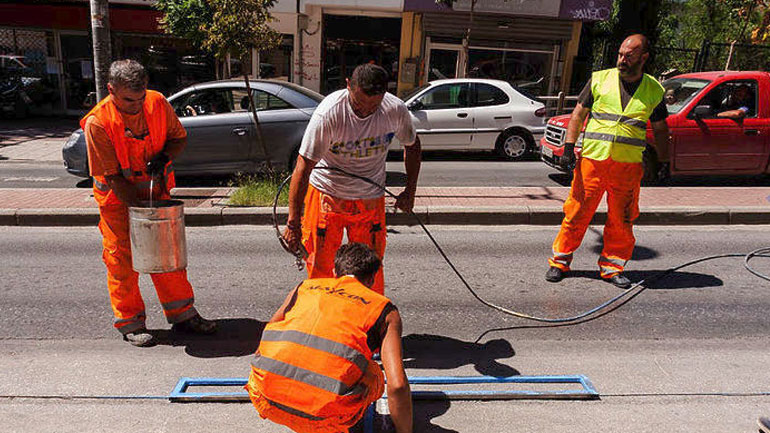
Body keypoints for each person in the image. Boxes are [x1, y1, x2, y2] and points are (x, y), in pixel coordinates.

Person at [81, 59, 217, 347]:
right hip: (118, 204)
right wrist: (146, 214)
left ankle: (182, 315)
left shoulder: (157, 103)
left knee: (169, 259)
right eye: (129, 100)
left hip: (157, 198)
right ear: (111, 90)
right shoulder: (98, 123)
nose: (136, 105)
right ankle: (130, 323)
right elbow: (114, 178)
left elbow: (178, 139)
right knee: (122, 263)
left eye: (140, 97)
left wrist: (165, 156)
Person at [282, 63, 421, 295]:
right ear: (348, 85)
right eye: (358, 104)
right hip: (327, 195)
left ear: (384, 95)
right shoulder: (329, 113)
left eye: (373, 107)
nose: (365, 112)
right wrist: (293, 224)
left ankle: (368, 322)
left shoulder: (394, 109)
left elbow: (413, 146)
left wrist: (410, 190)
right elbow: (302, 168)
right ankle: (323, 324)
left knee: (369, 269)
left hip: (369, 199)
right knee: (320, 269)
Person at [245, 242, 412, 433]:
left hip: (265, 398)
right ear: (372, 279)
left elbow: (265, 339)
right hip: (324, 420)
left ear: (334, 272)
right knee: (374, 374)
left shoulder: (304, 288)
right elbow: (397, 386)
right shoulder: (384, 310)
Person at [545, 34, 670, 289]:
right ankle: (560, 261)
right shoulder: (599, 79)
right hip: (593, 160)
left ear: (643, 58)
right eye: (621, 54)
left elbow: (660, 129)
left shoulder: (653, 89)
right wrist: (568, 148)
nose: (622, 60)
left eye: (629, 56)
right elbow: (578, 116)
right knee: (577, 212)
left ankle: (612, 266)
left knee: (622, 219)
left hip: (627, 166)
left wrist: (664, 161)